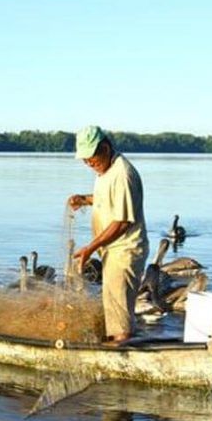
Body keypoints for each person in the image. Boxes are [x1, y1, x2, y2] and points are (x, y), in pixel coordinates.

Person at [67, 126, 148, 344]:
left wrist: (90, 248)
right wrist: (84, 199)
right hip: (112, 251)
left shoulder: (122, 174)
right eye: (85, 161)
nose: (88, 165)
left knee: (119, 317)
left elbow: (122, 222)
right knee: (115, 309)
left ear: (105, 148)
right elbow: (107, 198)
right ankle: (121, 340)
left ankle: (120, 351)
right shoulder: (106, 171)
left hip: (124, 251)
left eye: (91, 160)